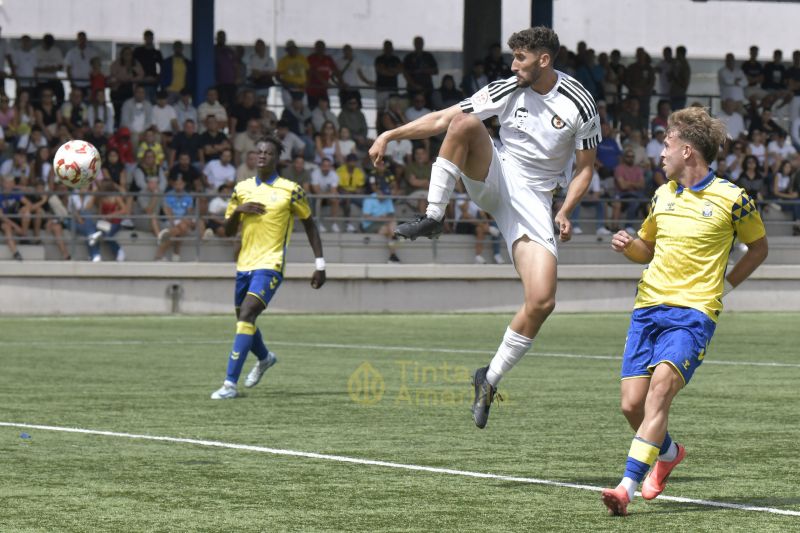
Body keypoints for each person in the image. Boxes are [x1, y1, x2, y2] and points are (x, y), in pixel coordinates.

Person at [368, 26, 600, 429]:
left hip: (535, 200)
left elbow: (585, 169)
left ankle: (488, 378)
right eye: (513, 57)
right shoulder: (506, 89)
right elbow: (444, 118)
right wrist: (391, 133)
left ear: (543, 60)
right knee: (464, 123)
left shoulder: (580, 101)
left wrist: (565, 209)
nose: (513, 65)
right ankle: (434, 215)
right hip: (497, 175)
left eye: (521, 58)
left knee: (542, 301)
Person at [601, 107, 768, 516]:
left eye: (667, 145)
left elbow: (759, 248)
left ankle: (626, 487)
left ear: (688, 151)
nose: (660, 153)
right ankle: (670, 452)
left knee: (659, 392)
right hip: (648, 309)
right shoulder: (662, 194)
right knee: (631, 406)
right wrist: (629, 247)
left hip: (693, 314)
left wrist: (725, 285)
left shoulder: (734, 199)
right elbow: (648, 249)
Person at [210, 137, 326, 399]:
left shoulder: (291, 190)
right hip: (244, 264)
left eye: (268, 153)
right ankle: (264, 358)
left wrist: (320, 263)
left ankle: (230, 384)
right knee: (244, 319)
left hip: (271, 264)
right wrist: (238, 210)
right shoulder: (241, 189)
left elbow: (310, 224)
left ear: (277, 159)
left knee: (248, 313)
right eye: (258, 151)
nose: (262, 156)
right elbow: (227, 230)